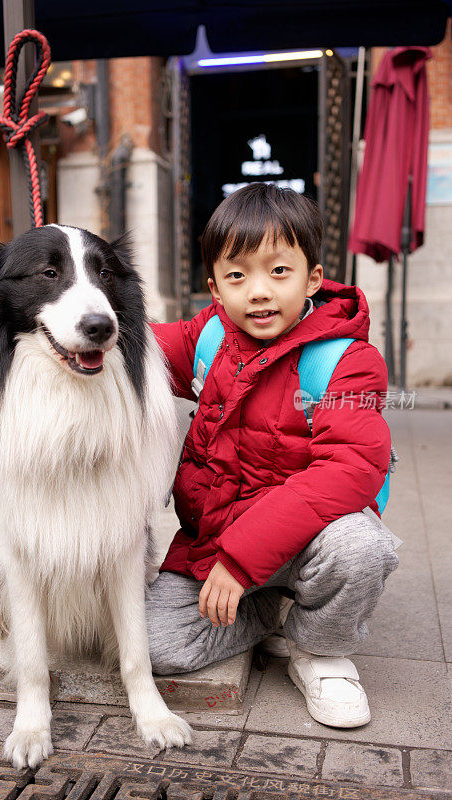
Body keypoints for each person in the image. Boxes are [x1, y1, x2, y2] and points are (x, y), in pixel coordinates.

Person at [146, 182, 399, 729]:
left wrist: (240, 562)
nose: (258, 292)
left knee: (360, 546)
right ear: (215, 289)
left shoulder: (348, 362)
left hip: (302, 543)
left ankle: (320, 651)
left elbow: (349, 469)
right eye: (237, 275)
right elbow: (134, 346)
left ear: (311, 277)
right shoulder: (211, 337)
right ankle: (268, 611)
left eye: (278, 272)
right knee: (154, 646)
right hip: (214, 541)